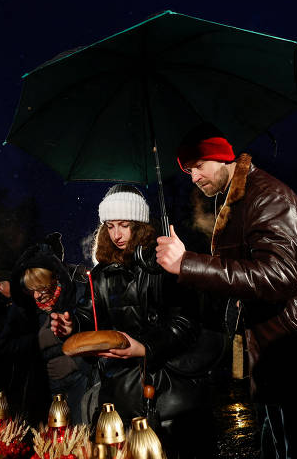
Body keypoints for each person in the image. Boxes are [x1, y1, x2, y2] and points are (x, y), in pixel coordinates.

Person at [154, 124, 297, 459]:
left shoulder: (267, 197)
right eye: (188, 171)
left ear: (222, 157)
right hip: (278, 360)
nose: (193, 178)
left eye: (198, 166)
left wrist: (188, 263)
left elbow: (277, 276)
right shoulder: (237, 200)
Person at [51, 185, 218, 458]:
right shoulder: (101, 274)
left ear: (139, 225)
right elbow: (92, 319)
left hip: (171, 391)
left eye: (125, 225)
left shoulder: (165, 263)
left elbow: (186, 324)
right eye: (110, 226)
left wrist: (144, 347)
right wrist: (72, 327)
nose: (116, 234)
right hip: (122, 393)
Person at [10, 233, 90, 424]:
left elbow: (98, 338)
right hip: (42, 393)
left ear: (55, 279)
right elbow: (6, 348)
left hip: (79, 387)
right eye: (31, 290)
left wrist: (76, 363)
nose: (37, 296)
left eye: (42, 288)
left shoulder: (80, 295)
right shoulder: (23, 310)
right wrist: (35, 344)